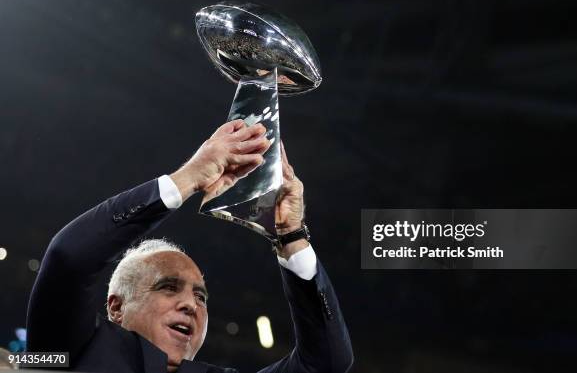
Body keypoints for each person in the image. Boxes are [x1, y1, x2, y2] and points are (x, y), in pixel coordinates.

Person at [26, 120, 353, 372]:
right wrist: (189, 177)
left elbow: (325, 363)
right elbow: (68, 259)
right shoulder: (74, 349)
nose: (191, 305)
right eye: (168, 287)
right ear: (116, 307)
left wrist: (290, 234)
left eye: (201, 296)